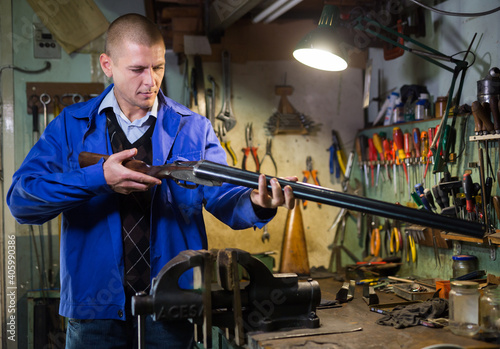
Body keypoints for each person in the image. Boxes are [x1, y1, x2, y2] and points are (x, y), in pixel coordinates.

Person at [7, 13, 295, 349]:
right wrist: (97, 177)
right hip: (95, 311)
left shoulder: (193, 128)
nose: (151, 81)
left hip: (172, 304)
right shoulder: (71, 126)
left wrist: (257, 203)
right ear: (107, 65)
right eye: (137, 69)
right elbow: (22, 201)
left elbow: (225, 198)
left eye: (157, 67)